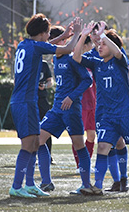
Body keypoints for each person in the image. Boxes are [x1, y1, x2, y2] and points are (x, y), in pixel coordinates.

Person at [72, 22, 129, 195]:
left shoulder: (120, 60)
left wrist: (103, 36)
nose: (99, 46)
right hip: (106, 115)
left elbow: (117, 51)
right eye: (98, 44)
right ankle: (98, 186)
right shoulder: (97, 63)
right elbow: (76, 57)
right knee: (102, 147)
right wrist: (83, 36)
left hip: (125, 113)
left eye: (103, 44)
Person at [9, 14, 82, 198]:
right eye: (48, 32)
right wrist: (77, 34)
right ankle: (16, 186)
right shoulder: (36, 46)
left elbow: (49, 44)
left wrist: (64, 34)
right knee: (27, 145)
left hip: (28, 101)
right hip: (24, 102)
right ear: (42, 33)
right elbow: (68, 49)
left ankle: (31, 184)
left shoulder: (26, 44)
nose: (49, 35)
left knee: (35, 142)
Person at [37, 25, 93, 194]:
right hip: (56, 109)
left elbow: (87, 80)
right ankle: (46, 182)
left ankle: (86, 185)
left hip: (71, 109)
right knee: (38, 139)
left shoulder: (72, 59)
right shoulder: (56, 59)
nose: (56, 47)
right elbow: (44, 49)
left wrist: (72, 97)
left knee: (79, 145)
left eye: (61, 42)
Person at [72, 35, 96, 174]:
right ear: (85, 45)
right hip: (80, 104)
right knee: (78, 136)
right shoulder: (75, 61)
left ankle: (86, 163)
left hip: (92, 103)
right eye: (91, 43)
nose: (92, 46)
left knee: (91, 135)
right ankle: (79, 165)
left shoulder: (91, 61)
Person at [38, 60, 55, 165]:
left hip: (42, 99)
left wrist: (44, 85)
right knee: (30, 128)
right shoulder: (27, 62)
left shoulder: (43, 64)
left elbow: (50, 81)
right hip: (29, 99)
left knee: (46, 127)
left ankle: (48, 155)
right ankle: (32, 154)